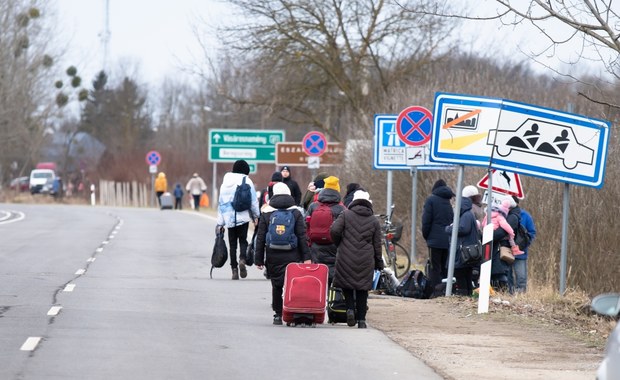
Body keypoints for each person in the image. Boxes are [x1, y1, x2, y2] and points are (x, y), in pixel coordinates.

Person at [255, 182, 311, 325]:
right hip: (293, 254)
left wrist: (259, 259)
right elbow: (302, 236)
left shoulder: (267, 212)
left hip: (272, 254)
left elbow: (260, 237)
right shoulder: (296, 212)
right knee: (292, 283)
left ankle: (278, 315)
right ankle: (291, 312)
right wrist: (307, 258)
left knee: (276, 284)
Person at [330, 190, 383, 329]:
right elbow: (377, 244)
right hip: (366, 259)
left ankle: (350, 309)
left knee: (347, 285)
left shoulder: (346, 215)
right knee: (362, 289)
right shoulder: (373, 220)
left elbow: (334, 230)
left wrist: (339, 243)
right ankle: (361, 320)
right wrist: (379, 263)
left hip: (346, 256)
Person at [216, 160, 260, 280]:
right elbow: (253, 201)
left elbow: (221, 203)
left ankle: (234, 269)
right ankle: (242, 259)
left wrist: (220, 223)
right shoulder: (247, 180)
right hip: (243, 216)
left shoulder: (224, 183)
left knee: (232, 244)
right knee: (243, 241)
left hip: (229, 218)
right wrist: (257, 216)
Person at [305, 176, 346, 283]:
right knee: (333, 272)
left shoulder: (313, 206)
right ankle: (332, 295)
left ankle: (320, 296)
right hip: (334, 246)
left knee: (318, 273)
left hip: (315, 246)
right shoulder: (341, 208)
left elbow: (305, 225)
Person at [421, 179, 455, 290]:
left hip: (434, 240)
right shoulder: (449, 203)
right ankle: (445, 290)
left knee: (434, 267)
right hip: (448, 240)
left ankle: (435, 290)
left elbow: (426, 221)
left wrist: (427, 236)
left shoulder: (431, 200)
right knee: (445, 267)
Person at [445, 196, 479, 296]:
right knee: (466, 274)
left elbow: (463, 229)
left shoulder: (466, 215)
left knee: (460, 273)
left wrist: (448, 229)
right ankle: (468, 294)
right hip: (467, 251)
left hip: (463, 252)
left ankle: (463, 295)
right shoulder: (469, 214)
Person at [489, 197, 520, 291]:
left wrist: (488, 235)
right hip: (500, 247)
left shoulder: (512, 217)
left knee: (500, 273)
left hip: (502, 248)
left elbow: (503, 232)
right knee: (497, 272)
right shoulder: (510, 215)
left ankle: (503, 292)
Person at [508, 196, 537, 293]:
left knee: (521, 278)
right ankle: (509, 294)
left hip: (521, 252)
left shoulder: (525, 216)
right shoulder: (504, 214)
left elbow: (532, 233)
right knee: (507, 277)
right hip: (506, 251)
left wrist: (523, 243)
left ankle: (520, 297)